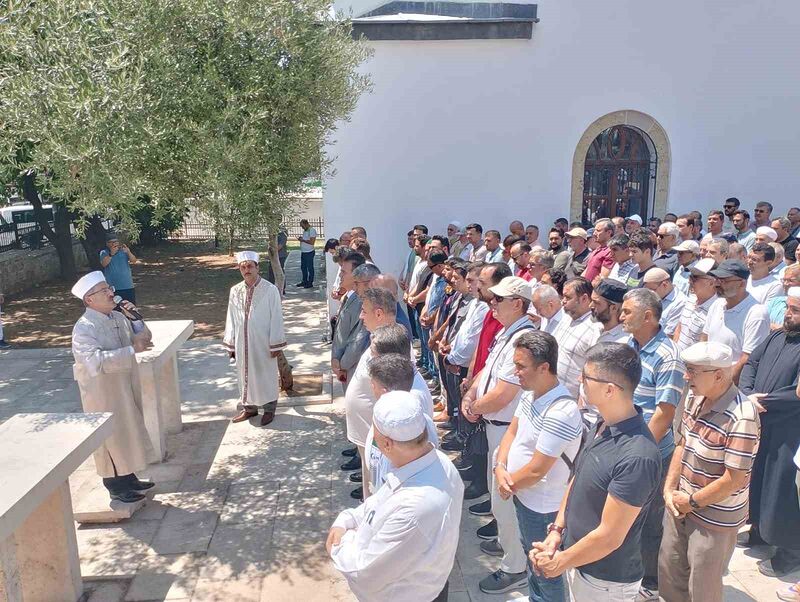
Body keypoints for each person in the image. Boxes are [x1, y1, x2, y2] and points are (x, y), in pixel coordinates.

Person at [529, 343, 662, 601]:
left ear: (609, 390)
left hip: (605, 581)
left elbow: (610, 536)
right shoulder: (603, 424)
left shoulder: (638, 456)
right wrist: (557, 531)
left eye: (586, 377)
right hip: (578, 561)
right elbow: (578, 478)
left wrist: (561, 561)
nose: (580, 381)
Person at [327, 391, 463, 602]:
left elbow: (364, 573)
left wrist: (339, 544)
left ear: (388, 444)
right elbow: (380, 501)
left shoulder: (414, 507)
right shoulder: (438, 464)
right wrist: (349, 518)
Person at [659, 342, 760, 602]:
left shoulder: (742, 416)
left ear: (718, 375)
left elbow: (733, 479)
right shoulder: (694, 396)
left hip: (713, 518)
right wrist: (670, 489)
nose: (686, 376)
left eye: (693, 371)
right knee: (670, 574)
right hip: (680, 505)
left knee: (702, 588)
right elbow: (683, 443)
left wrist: (692, 502)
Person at [494, 330, 583, 601]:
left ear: (544, 368)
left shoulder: (560, 411)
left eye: (521, 366)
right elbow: (512, 432)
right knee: (532, 560)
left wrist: (507, 483)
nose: (515, 372)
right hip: (524, 498)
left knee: (546, 570)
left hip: (544, 508)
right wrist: (500, 467)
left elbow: (537, 469)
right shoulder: (530, 394)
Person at [461, 276, 537, 594]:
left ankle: (515, 567)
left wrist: (475, 406)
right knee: (500, 501)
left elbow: (506, 392)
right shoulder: (509, 334)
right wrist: (471, 395)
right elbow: (487, 370)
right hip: (496, 428)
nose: (492, 304)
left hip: (508, 432)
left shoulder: (525, 340)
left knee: (506, 502)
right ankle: (510, 547)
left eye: (498, 300)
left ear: (517, 303)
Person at [619, 288, 684, 600]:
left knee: (649, 521)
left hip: (649, 451)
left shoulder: (668, 356)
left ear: (648, 316)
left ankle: (650, 582)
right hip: (624, 443)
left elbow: (664, 413)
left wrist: (636, 451)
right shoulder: (628, 346)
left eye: (627, 312)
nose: (620, 317)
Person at [71, 271, 157, 503]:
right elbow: (92, 362)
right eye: (104, 290)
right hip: (102, 392)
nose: (111, 293)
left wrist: (136, 318)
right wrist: (131, 351)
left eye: (109, 287)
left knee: (127, 430)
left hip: (123, 385)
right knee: (110, 437)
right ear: (89, 299)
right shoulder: (84, 328)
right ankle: (115, 486)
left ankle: (129, 477)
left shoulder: (119, 318)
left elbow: (143, 339)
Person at [738, 287, 800, 578]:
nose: (789, 314)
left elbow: (797, 394)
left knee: (782, 489)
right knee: (758, 480)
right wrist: (747, 393)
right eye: (788, 308)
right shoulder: (777, 335)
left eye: (796, 310)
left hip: (788, 429)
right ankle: (760, 531)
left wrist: (761, 401)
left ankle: (789, 553)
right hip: (760, 421)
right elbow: (753, 362)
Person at [224, 251, 287, 427]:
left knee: (265, 374)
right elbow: (231, 317)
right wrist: (231, 342)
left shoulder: (270, 290)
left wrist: (276, 344)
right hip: (242, 343)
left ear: (257, 268)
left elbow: (276, 317)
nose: (247, 270)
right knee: (244, 375)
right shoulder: (235, 291)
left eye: (250, 266)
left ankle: (269, 410)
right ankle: (249, 408)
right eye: (243, 267)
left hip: (263, 343)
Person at [701, 259, 770, 382]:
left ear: (742, 283)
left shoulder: (756, 313)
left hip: (730, 386)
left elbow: (747, 359)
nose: (717, 284)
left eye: (724, 280)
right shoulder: (717, 304)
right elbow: (704, 338)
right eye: (716, 279)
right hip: (708, 379)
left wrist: (721, 385)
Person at [552, 278, 600, 397]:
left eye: (568, 297)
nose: (563, 301)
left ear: (584, 298)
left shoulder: (595, 329)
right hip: (551, 394)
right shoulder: (565, 318)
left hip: (570, 402)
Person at [332, 251, 369, 391]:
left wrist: (342, 364)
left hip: (353, 368)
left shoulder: (361, 300)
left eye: (343, 272)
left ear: (356, 275)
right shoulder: (350, 296)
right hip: (343, 365)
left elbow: (358, 339)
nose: (340, 275)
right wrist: (335, 358)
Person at [673, 258, 718, 353]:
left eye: (695, 278)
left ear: (712, 282)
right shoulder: (691, 299)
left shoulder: (716, 310)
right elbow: (679, 327)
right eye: (690, 277)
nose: (689, 281)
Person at [642, 268, 687, 337]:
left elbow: (668, 335)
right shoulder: (654, 296)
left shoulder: (680, 303)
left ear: (665, 284)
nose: (650, 294)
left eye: (652, 290)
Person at [99, 232, 139, 303]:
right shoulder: (104, 252)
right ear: (107, 243)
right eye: (111, 242)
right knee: (115, 309)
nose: (114, 244)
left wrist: (128, 252)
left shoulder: (123, 251)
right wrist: (111, 254)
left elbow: (134, 260)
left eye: (115, 242)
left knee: (130, 309)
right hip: (113, 287)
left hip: (127, 285)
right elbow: (104, 264)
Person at [591, 279, 628, 343]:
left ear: (614, 308)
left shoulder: (622, 342)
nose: (590, 306)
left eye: (596, 303)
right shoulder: (595, 328)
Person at [766, 263, 800, 328]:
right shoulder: (775, 301)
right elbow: (762, 322)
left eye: (790, 280)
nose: (786, 284)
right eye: (784, 280)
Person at [583, 218, 615, 284]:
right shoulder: (597, 249)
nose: (594, 234)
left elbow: (603, 278)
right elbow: (587, 270)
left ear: (609, 232)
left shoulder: (610, 252)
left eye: (598, 230)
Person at [296, 218, 317, 288]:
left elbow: (312, 242)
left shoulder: (312, 230)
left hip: (309, 252)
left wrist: (303, 240)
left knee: (310, 268)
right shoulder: (305, 230)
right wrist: (302, 239)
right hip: (304, 252)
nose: (302, 227)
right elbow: (306, 239)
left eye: (302, 226)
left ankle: (310, 282)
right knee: (303, 267)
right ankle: (304, 281)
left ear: (306, 224)